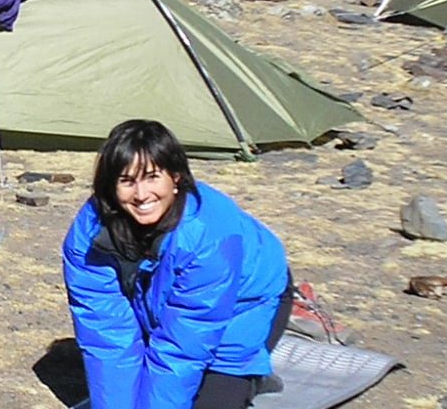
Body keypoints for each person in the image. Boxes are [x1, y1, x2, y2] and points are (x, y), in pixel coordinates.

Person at [62, 119, 293, 409]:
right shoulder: (88, 236)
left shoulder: (207, 234)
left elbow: (182, 346)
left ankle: (250, 376)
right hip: (159, 302)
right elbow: (108, 336)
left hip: (245, 303)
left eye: (152, 177)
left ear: (176, 178)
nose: (141, 194)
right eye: (126, 181)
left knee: (208, 393)